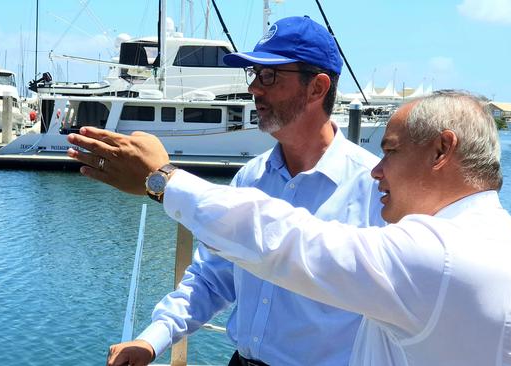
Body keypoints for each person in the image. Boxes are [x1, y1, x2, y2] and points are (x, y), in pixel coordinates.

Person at [67, 90, 511, 365]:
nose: (378, 170)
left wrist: (162, 180)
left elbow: (291, 244)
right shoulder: (494, 238)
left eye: (392, 151)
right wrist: (156, 336)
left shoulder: (442, 255)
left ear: (442, 151)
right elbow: (219, 271)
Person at [78, 15, 385, 366]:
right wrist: (152, 339)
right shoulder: (250, 177)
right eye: (254, 74)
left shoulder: (374, 189)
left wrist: (161, 179)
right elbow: (213, 276)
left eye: (269, 76)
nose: (255, 88)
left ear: (317, 87)